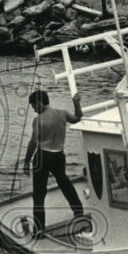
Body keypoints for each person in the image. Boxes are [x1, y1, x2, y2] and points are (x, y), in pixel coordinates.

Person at [23, 90, 84, 234]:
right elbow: (77, 118)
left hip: (43, 157)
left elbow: (33, 142)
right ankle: (78, 211)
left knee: (39, 194)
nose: (34, 110)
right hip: (58, 156)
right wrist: (76, 103)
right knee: (64, 183)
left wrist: (26, 162)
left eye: (33, 106)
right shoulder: (62, 114)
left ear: (38, 103)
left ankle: (39, 228)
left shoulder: (38, 120)